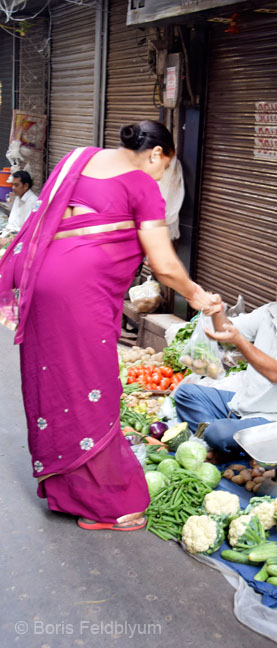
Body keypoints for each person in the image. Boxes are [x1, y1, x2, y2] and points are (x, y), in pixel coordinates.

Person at [0, 120, 219, 531]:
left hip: (44, 282)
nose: (161, 177)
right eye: (165, 168)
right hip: (81, 295)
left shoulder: (77, 158)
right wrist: (196, 294)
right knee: (91, 389)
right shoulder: (142, 185)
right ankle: (103, 505)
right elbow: (164, 264)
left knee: (57, 382)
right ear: (156, 154)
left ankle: (64, 489)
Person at [174, 254, 277, 455]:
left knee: (218, 432)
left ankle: (221, 437)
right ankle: (229, 439)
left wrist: (240, 341)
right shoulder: (270, 312)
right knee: (187, 393)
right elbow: (226, 330)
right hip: (245, 405)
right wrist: (216, 312)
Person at [0, 170, 38, 246]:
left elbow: (28, 230)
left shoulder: (33, 201)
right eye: (13, 185)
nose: (13, 188)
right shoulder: (18, 197)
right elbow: (12, 224)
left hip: (19, 240)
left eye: (16, 185)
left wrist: (10, 239)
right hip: (9, 234)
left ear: (26, 186)